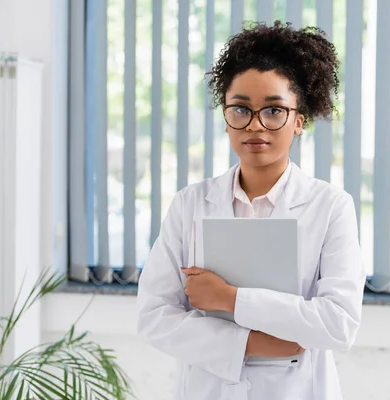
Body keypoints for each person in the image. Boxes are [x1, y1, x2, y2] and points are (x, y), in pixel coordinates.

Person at [137, 21, 365, 400]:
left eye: (274, 111)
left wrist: (229, 299)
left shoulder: (331, 208)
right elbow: (154, 317)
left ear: (298, 121)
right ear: (226, 119)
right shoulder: (190, 204)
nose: (255, 125)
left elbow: (338, 324)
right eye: (240, 109)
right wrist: (251, 343)